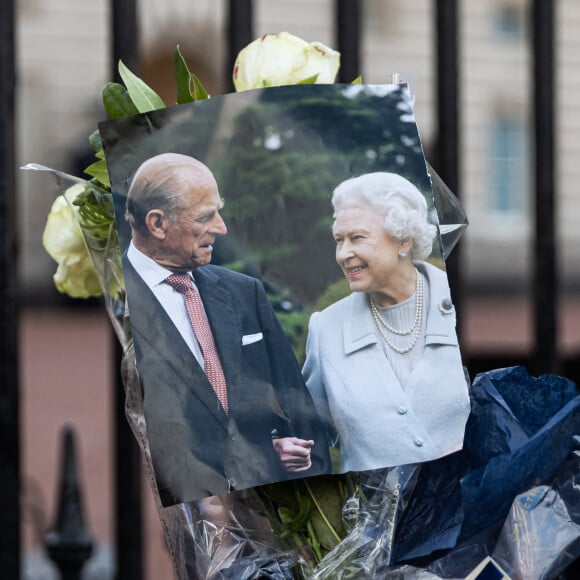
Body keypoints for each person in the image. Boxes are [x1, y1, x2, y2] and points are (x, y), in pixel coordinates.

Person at [122, 152, 330, 506]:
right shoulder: (119, 302)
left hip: (276, 510)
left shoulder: (243, 291)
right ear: (157, 224)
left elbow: (299, 410)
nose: (222, 227)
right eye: (206, 216)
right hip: (193, 520)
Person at [302, 172, 470, 473]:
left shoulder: (459, 303)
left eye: (357, 238)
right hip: (371, 516)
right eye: (339, 240)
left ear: (403, 239)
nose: (343, 254)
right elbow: (308, 437)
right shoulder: (325, 328)